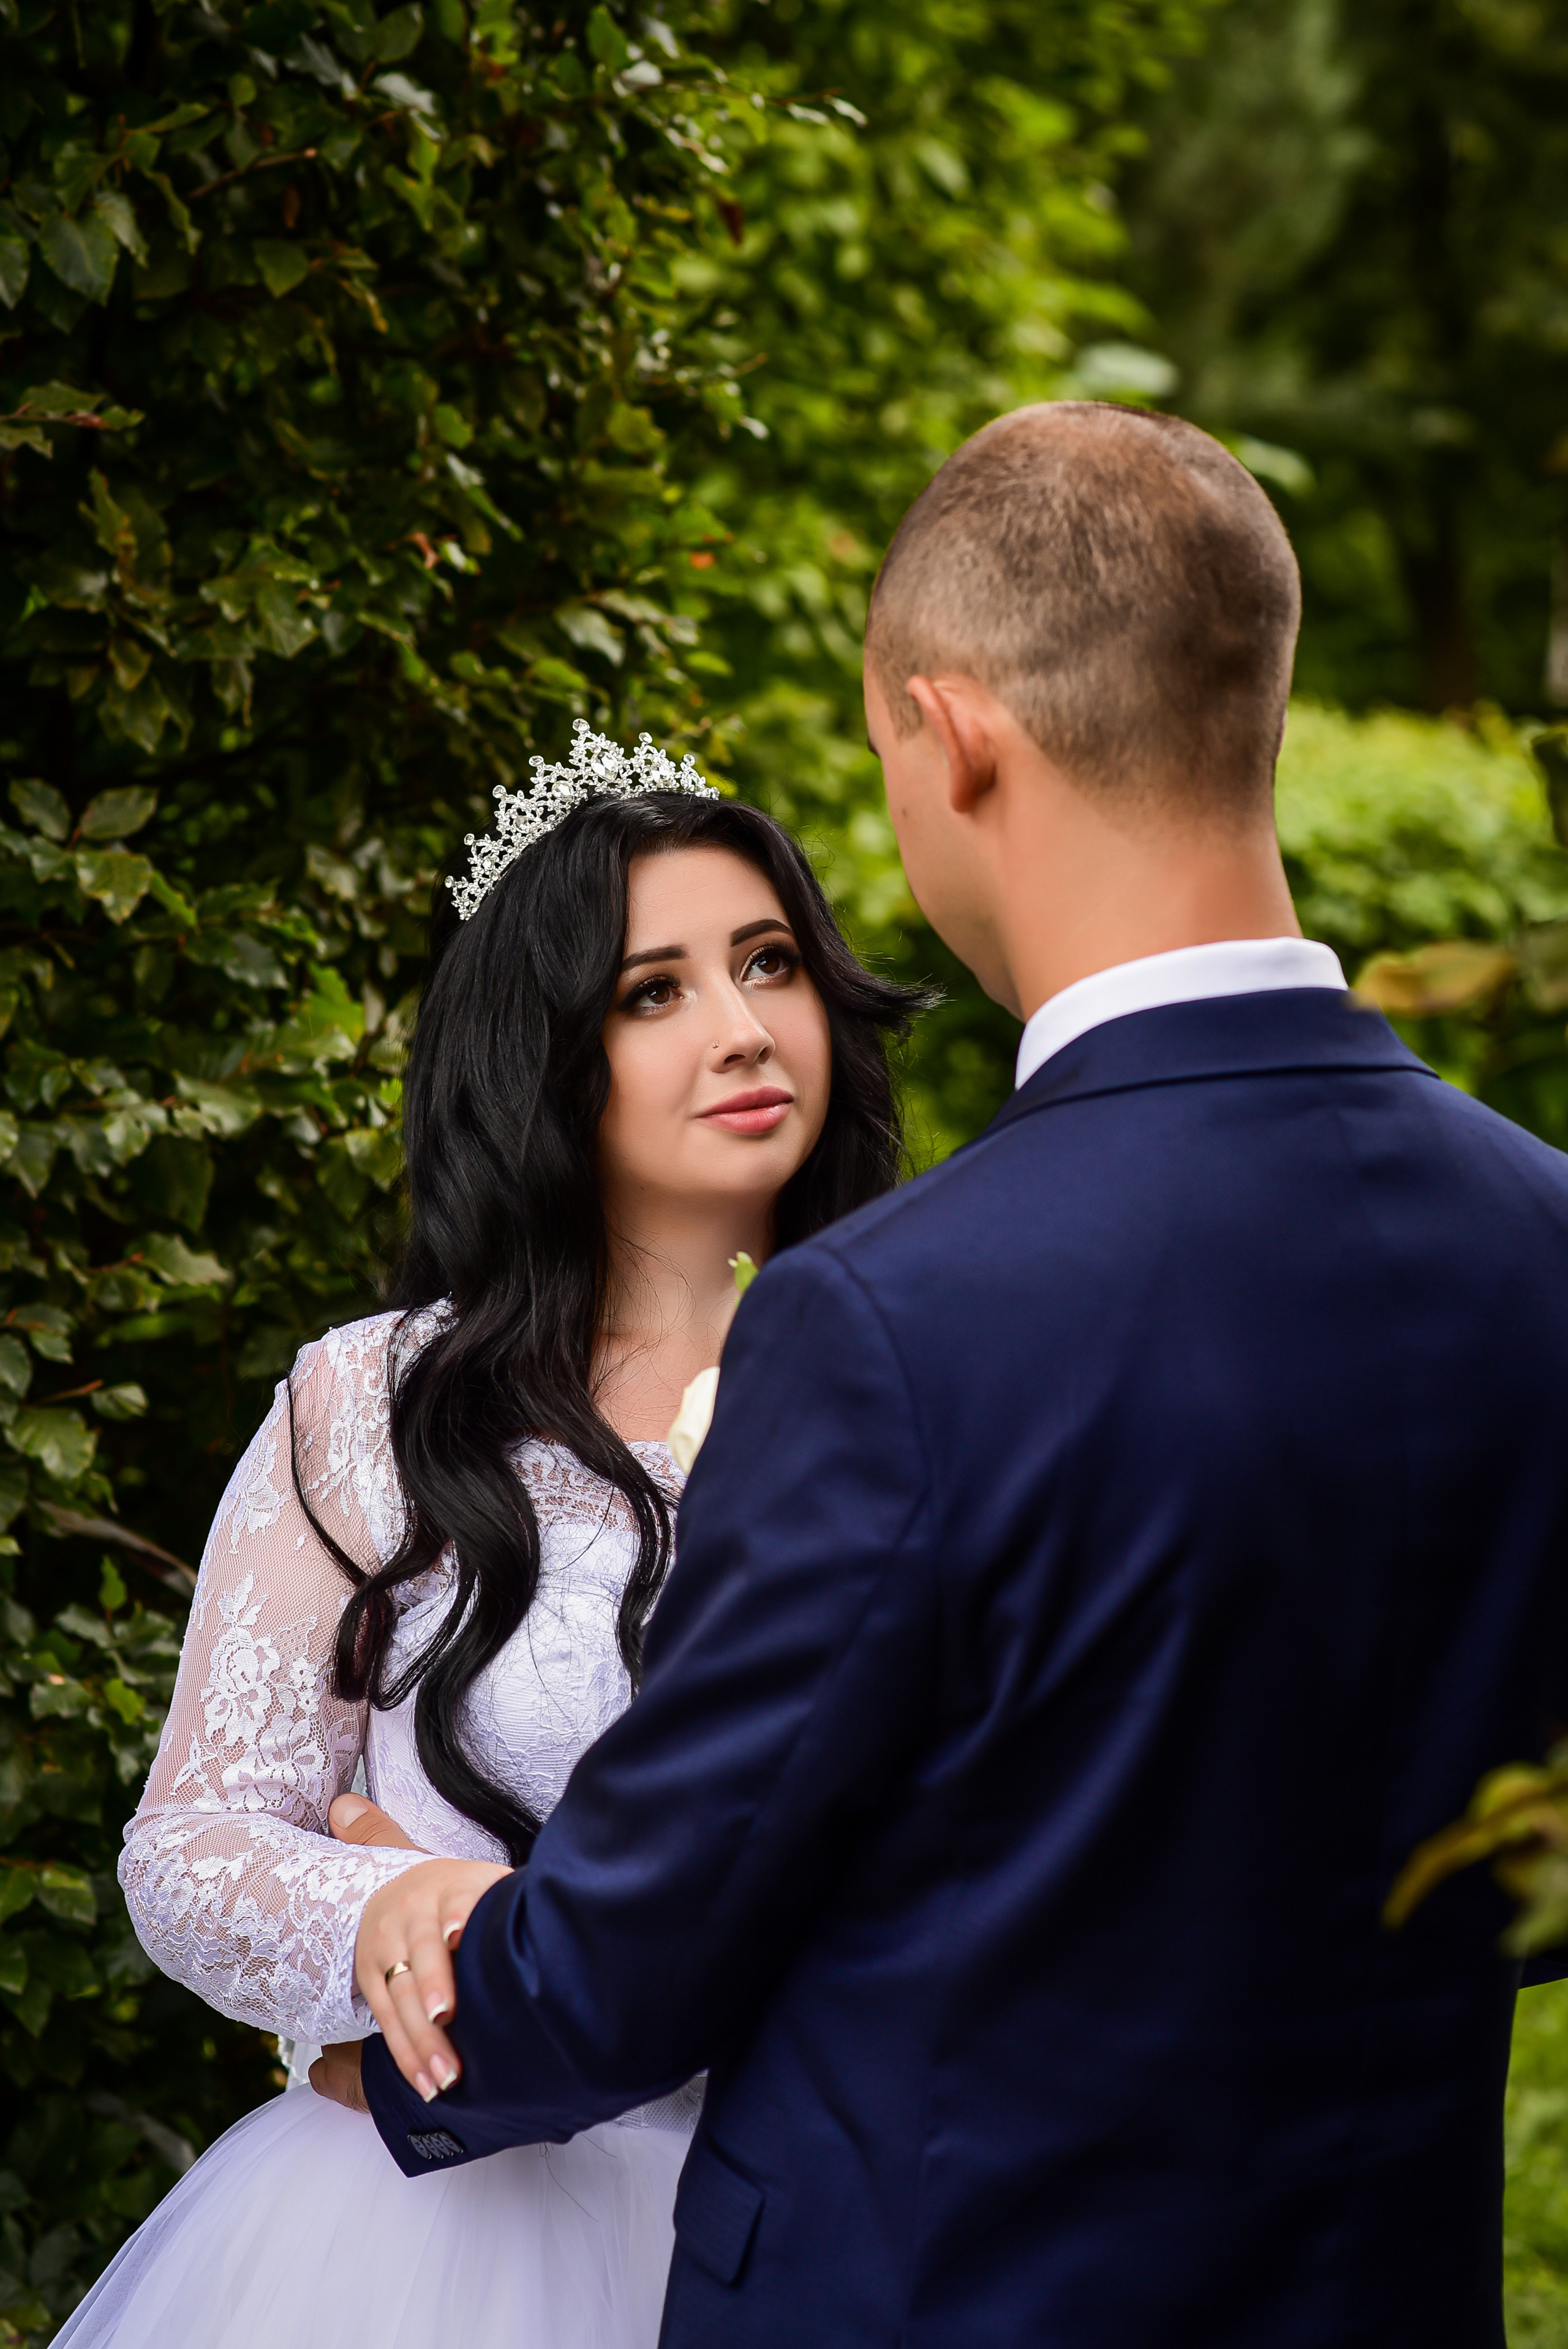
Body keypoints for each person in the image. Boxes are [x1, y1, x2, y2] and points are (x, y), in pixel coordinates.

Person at [346, 404, 1568, 2349]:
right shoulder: (1541, 1234)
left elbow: (638, 1951)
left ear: (954, 736)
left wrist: (401, 1976)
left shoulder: (890, 1317)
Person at [54, 726, 925, 2349]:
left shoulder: (930, 1387)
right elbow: (187, 1850)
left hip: (814, 2213)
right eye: (654, 990)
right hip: (425, 2242)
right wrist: (393, 1915)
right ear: (545, 1053)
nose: (742, 1027)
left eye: (770, 962)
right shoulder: (376, 1404)